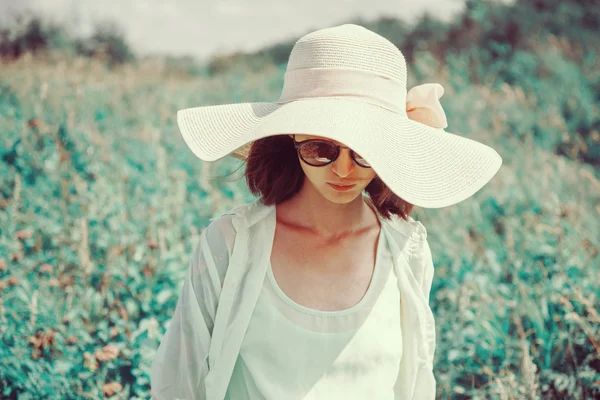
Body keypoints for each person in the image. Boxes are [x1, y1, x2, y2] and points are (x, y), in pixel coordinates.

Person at [150, 24, 502, 400]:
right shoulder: (229, 245)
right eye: (321, 148)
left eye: (364, 151)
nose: (344, 171)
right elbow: (179, 382)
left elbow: (414, 384)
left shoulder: (407, 250)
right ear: (291, 138)